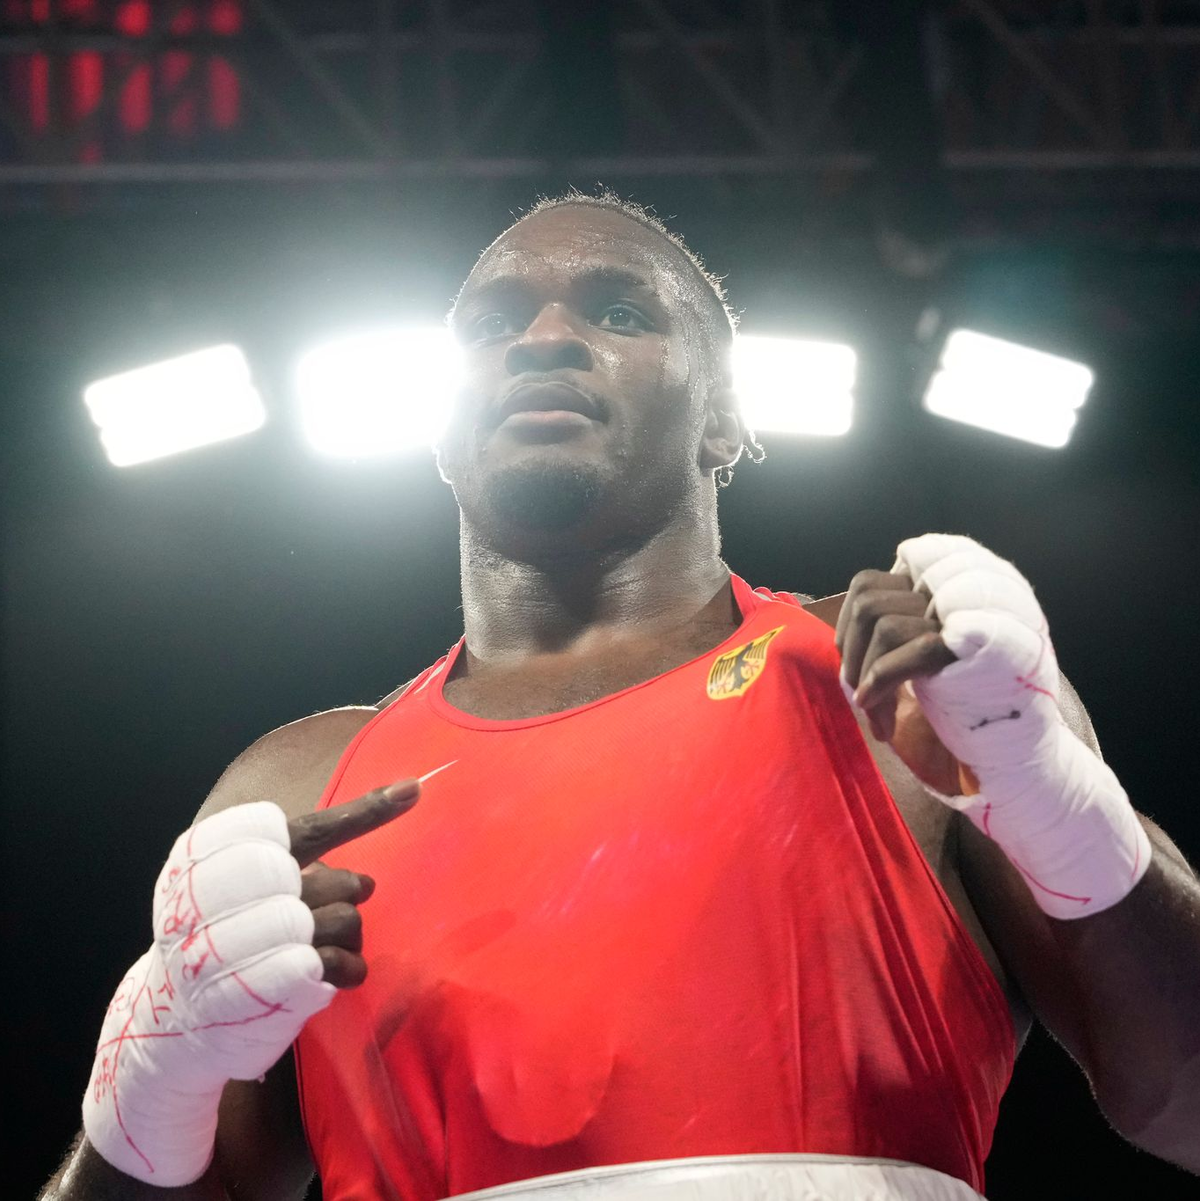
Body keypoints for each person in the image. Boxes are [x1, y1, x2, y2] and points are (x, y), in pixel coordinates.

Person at [40, 192, 1200, 1201]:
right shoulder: (297, 792)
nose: (545, 338)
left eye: (621, 311)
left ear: (728, 420)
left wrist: (1052, 792)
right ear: (441, 430)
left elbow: (1183, 1102)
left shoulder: (908, 702)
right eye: (494, 323)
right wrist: (152, 1072)